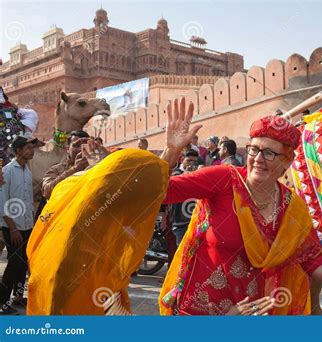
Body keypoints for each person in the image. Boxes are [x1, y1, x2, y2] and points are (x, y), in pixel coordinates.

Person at [159, 101, 322, 316]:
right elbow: (162, 192)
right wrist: (170, 153)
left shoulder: (290, 206)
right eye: (254, 150)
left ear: (287, 163)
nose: (258, 159)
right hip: (199, 311)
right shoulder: (223, 179)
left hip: (253, 314)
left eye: (269, 154)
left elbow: (315, 262)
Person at [25, 98, 201, 315]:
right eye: (76, 146)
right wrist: (87, 171)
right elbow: (50, 190)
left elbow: (138, 185)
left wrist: (169, 152)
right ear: (67, 148)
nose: (82, 149)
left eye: (85, 144)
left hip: (96, 283)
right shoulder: (66, 180)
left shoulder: (108, 186)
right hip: (52, 276)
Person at [0, 135, 37, 314]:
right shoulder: (7, 171)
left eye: (32, 147)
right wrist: (12, 227)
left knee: (23, 263)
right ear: (18, 151)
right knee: (14, 263)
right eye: (28, 148)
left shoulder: (27, 172)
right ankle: (2, 302)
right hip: (12, 227)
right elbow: (2, 200)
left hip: (26, 225)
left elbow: (28, 200)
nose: (32, 150)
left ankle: (18, 297)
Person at [41, 130, 90, 200]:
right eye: (76, 145)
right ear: (67, 149)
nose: (80, 149)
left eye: (84, 146)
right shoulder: (56, 169)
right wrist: (74, 170)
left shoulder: (97, 166)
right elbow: (47, 192)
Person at [168, 150, 199, 245]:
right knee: (183, 253)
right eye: (189, 161)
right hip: (180, 222)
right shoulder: (177, 172)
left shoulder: (196, 174)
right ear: (182, 160)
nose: (191, 164)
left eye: (194, 162)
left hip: (194, 221)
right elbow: (176, 180)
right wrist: (188, 174)